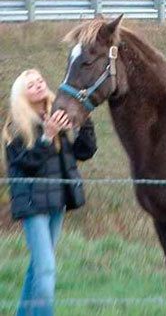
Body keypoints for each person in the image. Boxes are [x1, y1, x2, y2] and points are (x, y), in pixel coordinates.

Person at [2, 69, 97, 316]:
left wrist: (84, 121)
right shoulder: (15, 126)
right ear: (22, 95)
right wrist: (47, 136)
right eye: (31, 85)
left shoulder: (57, 114)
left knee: (37, 269)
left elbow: (83, 153)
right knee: (46, 271)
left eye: (40, 81)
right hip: (32, 206)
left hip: (57, 201)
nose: (38, 85)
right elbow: (26, 164)